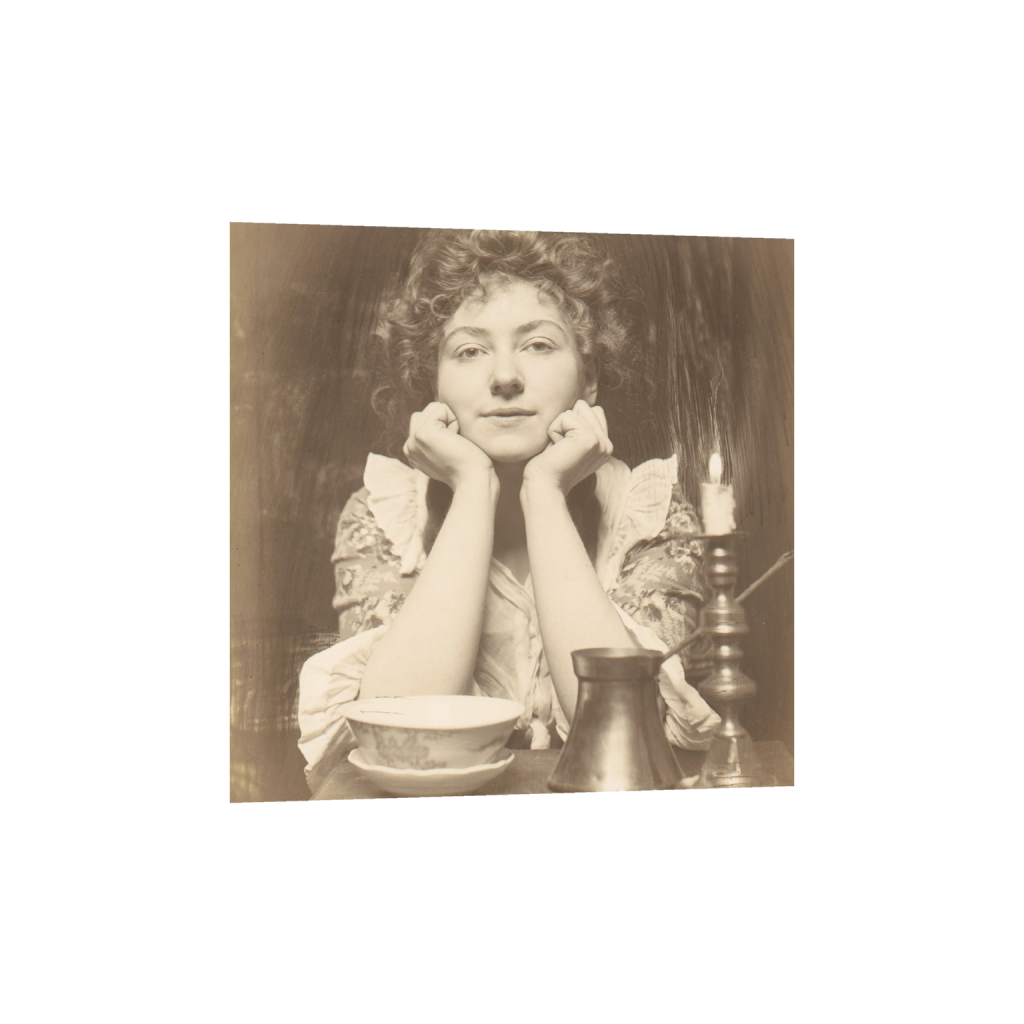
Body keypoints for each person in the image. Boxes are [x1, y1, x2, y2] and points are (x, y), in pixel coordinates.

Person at [298, 229, 719, 790]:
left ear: (589, 377)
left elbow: (624, 740)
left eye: (538, 345)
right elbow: (401, 741)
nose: (504, 378)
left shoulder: (648, 512)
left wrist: (544, 492)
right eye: (470, 351)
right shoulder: (384, 514)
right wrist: (473, 487)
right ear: (433, 383)